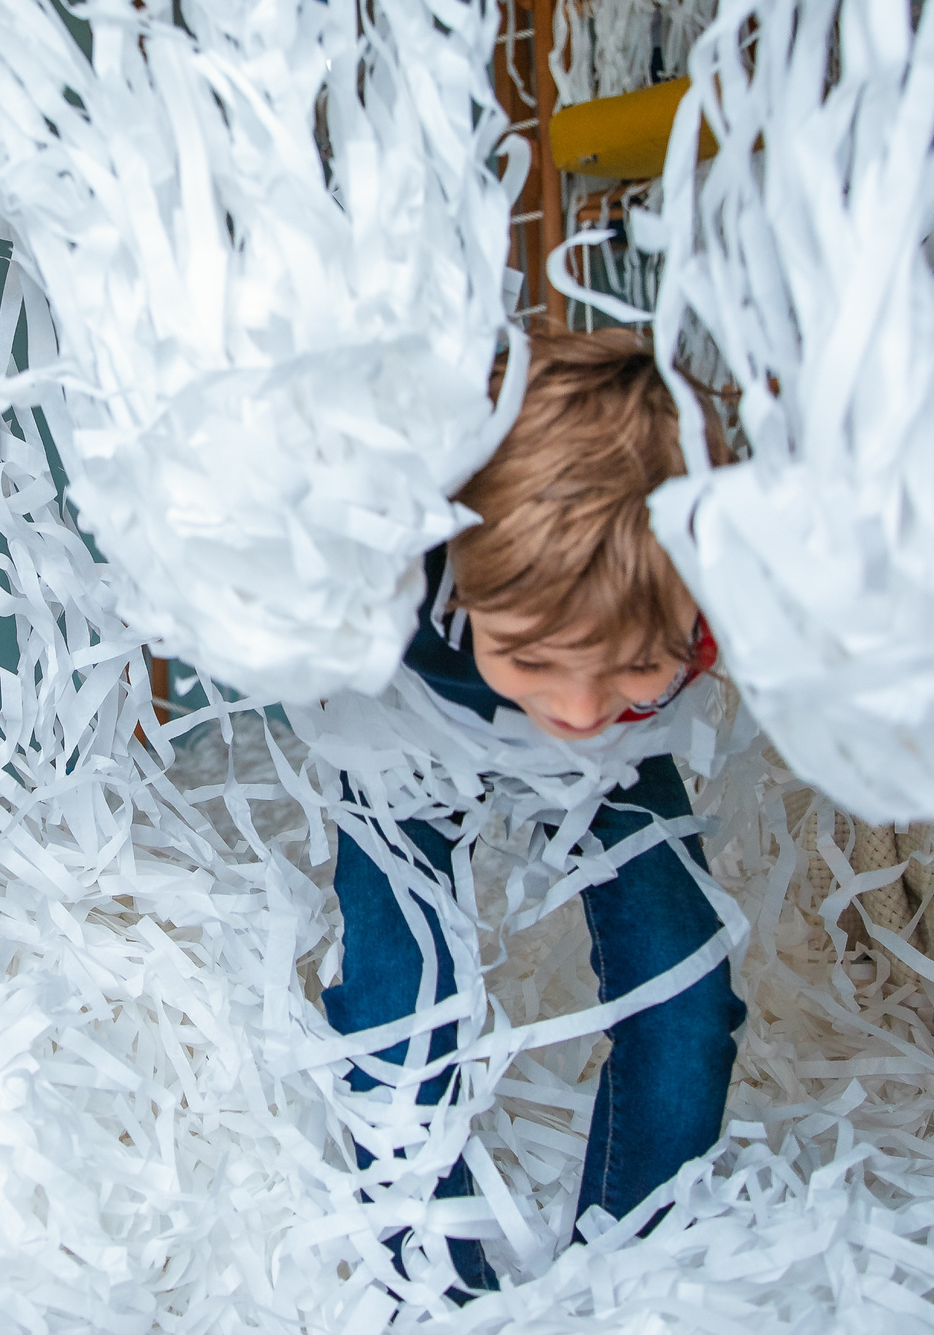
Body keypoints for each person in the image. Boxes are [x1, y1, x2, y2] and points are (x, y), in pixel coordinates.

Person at [323, 325, 746, 1294]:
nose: (578, 707)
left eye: (643, 664)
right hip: (405, 725)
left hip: (620, 766)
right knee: (400, 993)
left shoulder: (731, 578)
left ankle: (636, 1267)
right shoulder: (399, 560)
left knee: (683, 990)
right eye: (536, 659)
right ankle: (427, 1278)